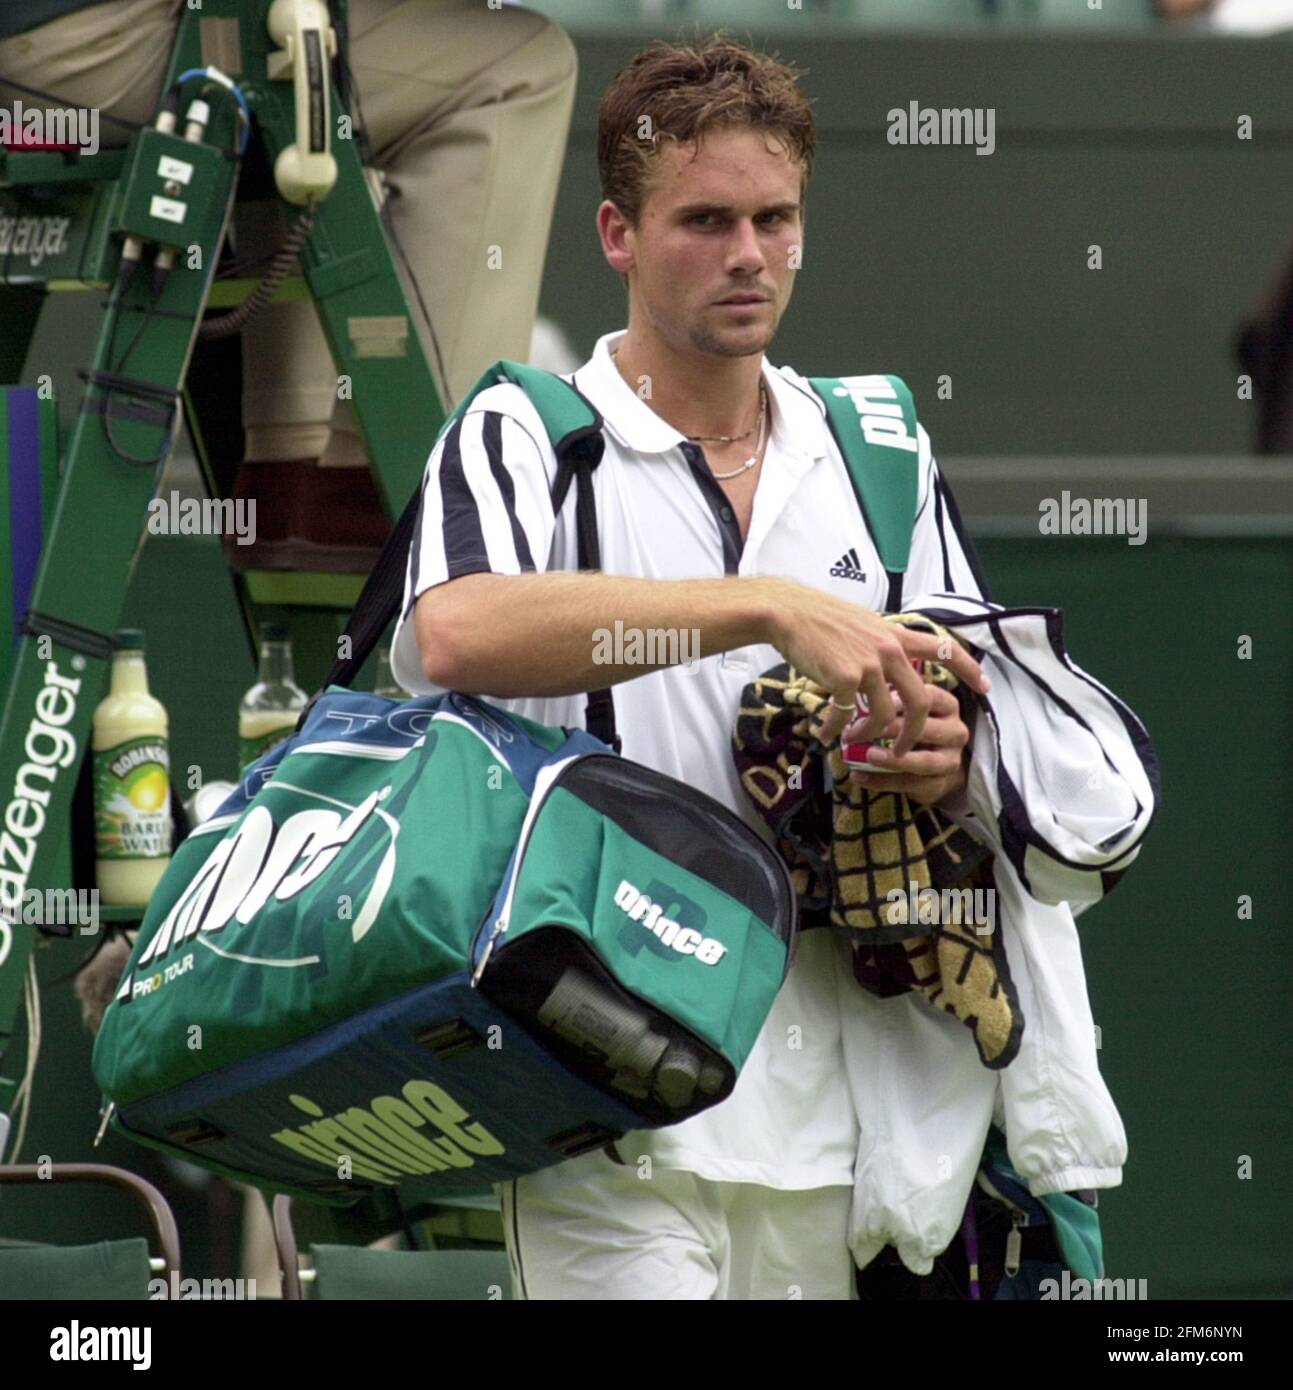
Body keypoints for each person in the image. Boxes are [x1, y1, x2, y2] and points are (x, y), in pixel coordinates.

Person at [387, 32, 1151, 1301]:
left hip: (871, 1131)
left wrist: (943, 751)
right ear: (617, 235)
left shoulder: (879, 441)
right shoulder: (523, 425)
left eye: (775, 217)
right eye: (704, 219)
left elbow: (970, 697)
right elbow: (458, 629)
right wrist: (765, 607)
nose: (749, 253)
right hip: (608, 1114)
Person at [0, 0, 578, 569]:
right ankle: (420, 480)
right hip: (83, 48)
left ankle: (286, 463)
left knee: (295, 46)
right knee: (522, 62)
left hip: (44, 60)